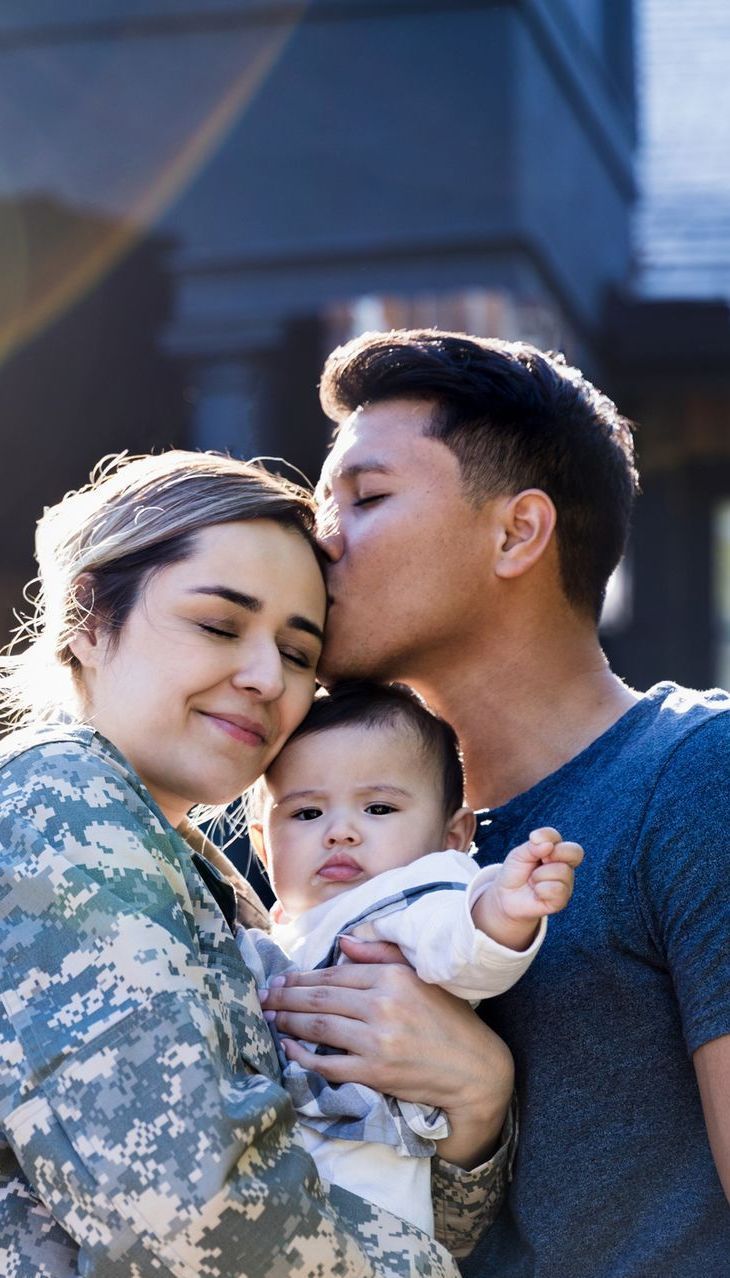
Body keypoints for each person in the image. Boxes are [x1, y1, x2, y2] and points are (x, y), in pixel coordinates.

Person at [259, 331, 730, 1277]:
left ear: (517, 533)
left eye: (366, 498)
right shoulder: (311, 825)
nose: (323, 540)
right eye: (322, 506)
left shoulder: (697, 776)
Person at [0, 449, 514, 1278]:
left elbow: (375, 1205)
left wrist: (476, 1097)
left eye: (300, 653)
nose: (269, 678)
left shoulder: (211, 876)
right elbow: (192, 1219)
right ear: (89, 621)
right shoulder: (60, 799)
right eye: (219, 625)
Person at [243, 680, 582, 1235]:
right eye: (306, 813)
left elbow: (459, 948)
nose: (340, 832)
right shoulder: (287, 926)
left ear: (453, 837)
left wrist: (503, 909)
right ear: (263, 843)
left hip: (367, 1183)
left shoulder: (409, 892)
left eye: (378, 808)